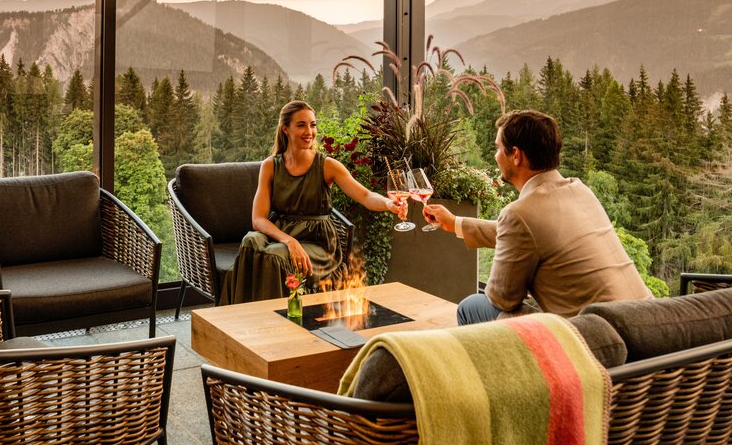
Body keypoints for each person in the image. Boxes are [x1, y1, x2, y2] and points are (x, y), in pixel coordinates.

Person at [424, 109, 652, 324]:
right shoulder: (579, 190)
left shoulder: (520, 214)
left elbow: (502, 298)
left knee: (472, 306)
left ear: (516, 155)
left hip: (592, 337)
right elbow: (529, 234)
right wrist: (456, 223)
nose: (495, 156)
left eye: (498, 148)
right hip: (641, 321)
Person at [218, 100, 403, 305]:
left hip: (318, 244)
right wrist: (289, 241)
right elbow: (258, 219)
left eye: (313, 125)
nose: (309, 131)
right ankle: (240, 318)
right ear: (285, 129)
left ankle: (272, 319)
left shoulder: (327, 166)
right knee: (250, 241)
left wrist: (388, 203)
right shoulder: (270, 166)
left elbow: (366, 196)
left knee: (274, 255)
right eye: (301, 125)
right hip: (283, 234)